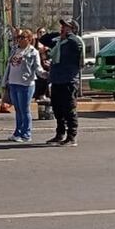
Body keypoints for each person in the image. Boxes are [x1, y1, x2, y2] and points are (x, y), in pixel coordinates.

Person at [47, 18, 84, 147]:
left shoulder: (75, 42)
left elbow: (77, 44)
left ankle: (71, 136)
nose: (63, 28)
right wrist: (59, 34)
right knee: (57, 109)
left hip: (69, 81)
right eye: (62, 26)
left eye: (67, 26)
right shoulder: (59, 43)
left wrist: (69, 34)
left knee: (69, 110)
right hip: (57, 80)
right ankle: (59, 134)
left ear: (73, 29)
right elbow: (44, 39)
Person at [4, 29, 46, 143]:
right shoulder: (15, 49)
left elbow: (38, 68)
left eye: (23, 38)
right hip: (13, 83)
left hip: (25, 84)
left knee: (24, 110)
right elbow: (9, 66)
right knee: (17, 110)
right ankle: (17, 132)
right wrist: (5, 81)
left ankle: (26, 134)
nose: (20, 40)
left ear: (29, 39)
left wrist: (44, 74)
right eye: (19, 38)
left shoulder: (33, 52)